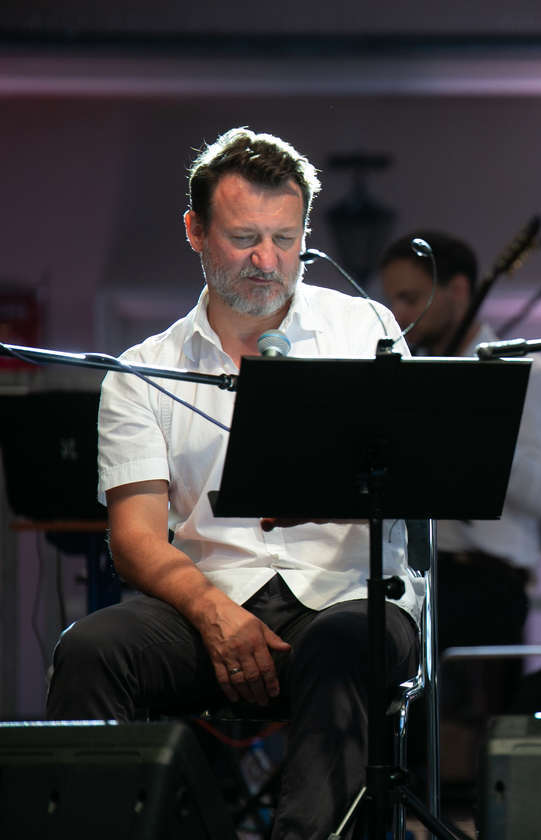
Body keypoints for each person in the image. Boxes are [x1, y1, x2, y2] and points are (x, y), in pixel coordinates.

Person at [45, 127, 423, 840]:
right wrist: (212, 613)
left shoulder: (367, 330)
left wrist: (336, 490)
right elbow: (134, 540)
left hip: (345, 597)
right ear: (195, 231)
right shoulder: (143, 370)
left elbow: (413, 478)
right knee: (90, 650)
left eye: (285, 239)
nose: (267, 260)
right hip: (205, 602)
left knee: (342, 645)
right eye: (244, 238)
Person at [378, 230, 541, 785]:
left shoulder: (526, 374)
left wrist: (468, 429)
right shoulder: (410, 374)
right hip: (415, 574)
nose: (398, 314)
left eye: (411, 298)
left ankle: (440, 784)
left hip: (484, 580)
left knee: (419, 623)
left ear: (458, 291)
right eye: (392, 299)